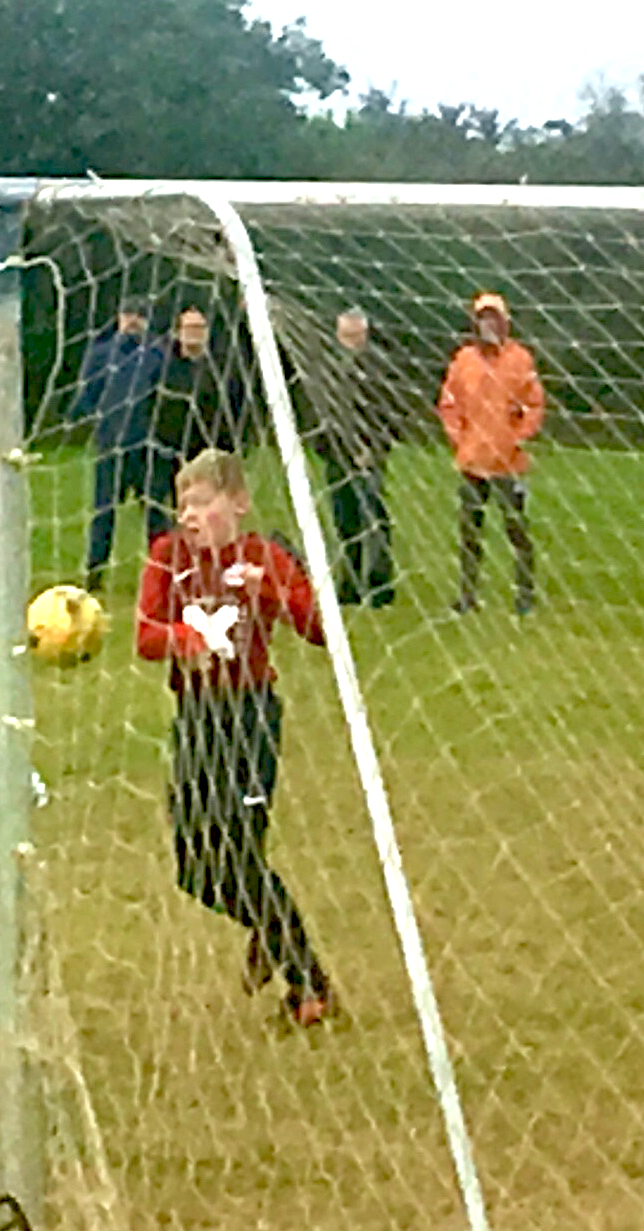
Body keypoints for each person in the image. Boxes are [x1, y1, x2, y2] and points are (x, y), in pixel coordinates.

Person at [135, 449, 333, 1027]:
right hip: (197, 721)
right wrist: (187, 640)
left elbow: (319, 628)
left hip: (251, 719)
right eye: (183, 506)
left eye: (202, 503)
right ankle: (269, 932)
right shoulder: (168, 557)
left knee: (242, 854)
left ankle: (308, 984)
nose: (189, 516)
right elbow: (145, 636)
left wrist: (267, 589)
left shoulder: (260, 557)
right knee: (195, 870)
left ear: (239, 503)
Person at [437, 292, 544, 615]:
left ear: (505, 321)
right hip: (472, 461)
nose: (488, 324)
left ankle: (525, 595)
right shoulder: (463, 360)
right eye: (483, 318)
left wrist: (518, 437)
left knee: (517, 530)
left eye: (494, 317)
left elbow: (534, 403)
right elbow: (449, 404)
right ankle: (467, 596)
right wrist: (460, 438)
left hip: (508, 462)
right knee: (470, 532)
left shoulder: (520, 359)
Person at [297, 309, 398, 607]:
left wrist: (372, 448)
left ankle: (380, 584)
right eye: (346, 334)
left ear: (365, 333)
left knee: (373, 516)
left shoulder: (380, 366)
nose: (352, 340)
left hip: (369, 454)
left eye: (356, 334)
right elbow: (317, 410)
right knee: (345, 518)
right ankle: (350, 583)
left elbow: (390, 412)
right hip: (337, 454)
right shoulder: (327, 367)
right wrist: (325, 447)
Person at [75, 298, 169, 590]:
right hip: (111, 445)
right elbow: (88, 392)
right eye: (128, 314)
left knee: (155, 513)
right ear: (118, 317)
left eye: (140, 316)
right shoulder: (101, 354)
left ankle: (164, 572)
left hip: (147, 448)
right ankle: (95, 573)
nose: (133, 321)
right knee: (104, 512)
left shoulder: (158, 354)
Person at [153, 306, 254, 459]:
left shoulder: (223, 368)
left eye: (199, 327)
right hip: (174, 455)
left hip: (218, 454)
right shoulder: (164, 370)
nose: (194, 332)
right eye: (189, 327)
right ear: (177, 332)